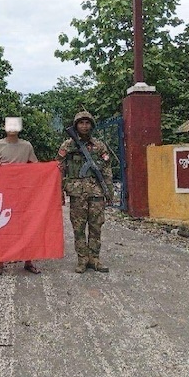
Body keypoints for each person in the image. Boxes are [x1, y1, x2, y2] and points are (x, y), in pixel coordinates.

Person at [57, 110, 113, 273]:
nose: (84, 126)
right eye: (81, 123)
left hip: (96, 193)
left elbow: (107, 169)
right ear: (76, 126)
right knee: (78, 228)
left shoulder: (99, 146)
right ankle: (82, 260)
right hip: (76, 193)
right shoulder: (68, 145)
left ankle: (94, 259)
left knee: (96, 227)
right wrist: (59, 190)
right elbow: (59, 168)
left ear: (92, 125)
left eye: (87, 123)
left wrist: (109, 192)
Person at [0, 117, 41, 275]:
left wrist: (50, 169)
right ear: (4, 127)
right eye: (9, 125)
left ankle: (28, 260)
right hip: (2, 193)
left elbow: (35, 167)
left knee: (26, 226)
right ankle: (0, 262)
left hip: (23, 193)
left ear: (20, 128)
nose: (12, 128)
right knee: (2, 226)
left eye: (15, 125)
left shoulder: (27, 146)